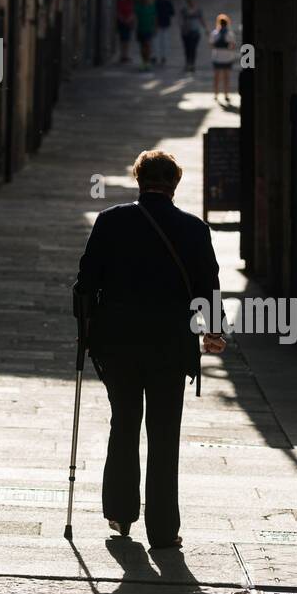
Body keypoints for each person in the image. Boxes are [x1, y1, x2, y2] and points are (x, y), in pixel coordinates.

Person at [75, 150, 224, 549]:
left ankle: (120, 512)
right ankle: (163, 530)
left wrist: (86, 332)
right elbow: (207, 286)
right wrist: (214, 331)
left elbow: (86, 282)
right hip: (170, 346)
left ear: (138, 179)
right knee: (164, 434)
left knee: (124, 423)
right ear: (175, 183)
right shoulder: (194, 229)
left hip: (118, 344)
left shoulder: (111, 221)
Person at [210, 13, 238, 103]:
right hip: (227, 57)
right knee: (226, 77)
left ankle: (216, 94)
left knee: (217, 77)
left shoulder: (214, 33)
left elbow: (211, 45)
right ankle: (226, 94)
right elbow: (233, 46)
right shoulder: (230, 34)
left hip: (217, 57)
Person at [179, 0, 206, 71]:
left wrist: (206, 28)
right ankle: (187, 63)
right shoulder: (184, 10)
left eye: (193, 1)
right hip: (186, 32)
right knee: (187, 48)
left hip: (195, 32)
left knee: (193, 48)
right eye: (190, 1)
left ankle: (192, 64)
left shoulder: (198, 10)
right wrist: (182, 28)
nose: (192, 3)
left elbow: (202, 19)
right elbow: (180, 20)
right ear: (187, 2)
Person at [134, 0, 156, 70]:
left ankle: (147, 62)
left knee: (147, 45)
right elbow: (136, 18)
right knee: (142, 47)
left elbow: (154, 18)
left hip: (148, 29)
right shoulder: (138, 7)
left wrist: (154, 28)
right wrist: (135, 28)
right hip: (140, 29)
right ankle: (144, 61)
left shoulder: (151, 7)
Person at [153, 0, 175, 65]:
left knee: (156, 40)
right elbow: (172, 12)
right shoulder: (168, 2)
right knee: (165, 40)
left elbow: (153, 12)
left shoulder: (156, 2)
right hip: (166, 23)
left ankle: (156, 56)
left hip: (157, 23)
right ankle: (163, 57)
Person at [116, 0, 135, 64]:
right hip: (123, 24)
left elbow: (132, 13)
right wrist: (124, 20)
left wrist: (128, 20)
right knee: (123, 40)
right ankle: (123, 55)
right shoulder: (123, 2)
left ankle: (125, 55)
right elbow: (119, 13)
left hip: (128, 24)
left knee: (126, 40)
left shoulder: (131, 3)